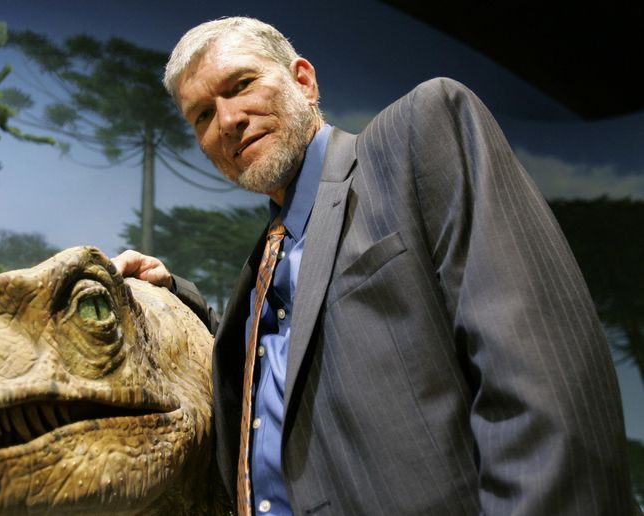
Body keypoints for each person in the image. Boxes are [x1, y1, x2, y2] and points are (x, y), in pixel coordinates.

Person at [113, 17, 636, 516]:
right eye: (202, 115)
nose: (227, 121)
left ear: (304, 81)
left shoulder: (417, 135)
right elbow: (303, 369)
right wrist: (173, 301)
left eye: (242, 84)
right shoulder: (264, 270)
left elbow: (544, 379)